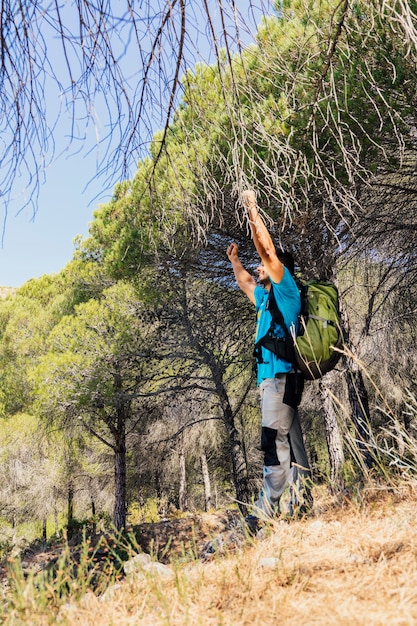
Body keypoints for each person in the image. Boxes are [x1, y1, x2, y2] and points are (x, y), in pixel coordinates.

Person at [226, 189, 312, 531]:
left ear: (279, 271)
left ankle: (265, 512)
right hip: (274, 381)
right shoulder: (265, 301)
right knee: (290, 442)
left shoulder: (286, 290)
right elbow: (246, 281)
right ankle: (303, 502)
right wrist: (234, 262)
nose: (259, 265)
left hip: (282, 378)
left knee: (272, 444)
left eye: (265, 265)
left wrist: (251, 208)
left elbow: (266, 248)